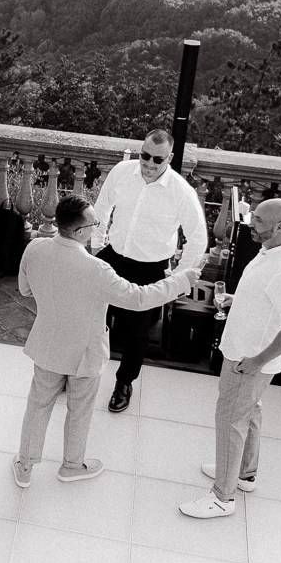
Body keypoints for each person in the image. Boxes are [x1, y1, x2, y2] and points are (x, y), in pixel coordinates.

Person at [13, 195, 200, 486]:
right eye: (95, 224)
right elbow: (139, 298)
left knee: (37, 406)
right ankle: (72, 465)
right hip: (85, 353)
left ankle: (25, 467)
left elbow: (25, 290)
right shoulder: (97, 270)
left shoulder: (35, 247)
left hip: (47, 343)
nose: (98, 227)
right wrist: (181, 280)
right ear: (79, 231)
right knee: (80, 410)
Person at [181, 198, 281, 519]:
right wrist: (236, 298)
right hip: (247, 352)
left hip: (248, 358)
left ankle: (222, 497)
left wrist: (255, 361)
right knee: (249, 412)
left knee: (230, 420)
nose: (251, 223)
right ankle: (244, 474)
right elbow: (268, 299)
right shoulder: (278, 249)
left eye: (259, 221)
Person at [88, 128, 208, 414]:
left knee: (139, 333)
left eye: (157, 159)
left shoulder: (181, 191)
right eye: (145, 156)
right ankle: (77, 372)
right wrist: (95, 249)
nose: (149, 164)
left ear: (170, 158)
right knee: (89, 316)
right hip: (112, 258)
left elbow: (199, 238)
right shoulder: (121, 171)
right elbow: (100, 211)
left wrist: (179, 278)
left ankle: (124, 383)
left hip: (150, 269)